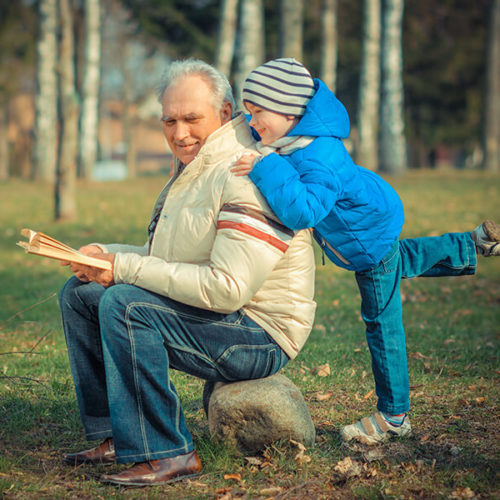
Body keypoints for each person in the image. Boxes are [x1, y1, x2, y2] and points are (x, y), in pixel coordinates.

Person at [58, 59, 316, 486]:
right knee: (82, 294)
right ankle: (114, 435)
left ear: (226, 111)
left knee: (125, 304)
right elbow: (171, 258)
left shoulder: (245, 170)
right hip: (222, 315)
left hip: (260, 332)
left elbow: (227, 289)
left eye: (192, 119)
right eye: (169, 121)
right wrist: (106, 256)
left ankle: (167, 452)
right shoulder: (193, 168)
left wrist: (123, 269)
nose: (180, 133)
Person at [231, 57, 500, 445]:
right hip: (373, 222)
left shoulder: (320, 156)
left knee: (382, 322)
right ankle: (472, 245)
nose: (252, 122)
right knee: (401, 259)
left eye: (258, 113)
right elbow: (261, 141)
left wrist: (265, 164)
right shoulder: (291, 137)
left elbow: (303, 210)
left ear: (290, 111)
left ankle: (394, 415)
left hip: (367, 237)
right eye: (248, 111)